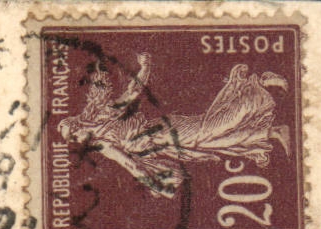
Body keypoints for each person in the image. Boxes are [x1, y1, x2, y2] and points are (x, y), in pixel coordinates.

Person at [58, 53, 290, 198]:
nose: (77, 142)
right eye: (73, 140)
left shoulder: (103, 118)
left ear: (79, 125)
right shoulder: (101, 144)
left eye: (74, 136)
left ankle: (258, 84)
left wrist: (145, 67)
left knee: (210, 129)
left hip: (164, 133)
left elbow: (132, 92)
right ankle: (271, 133)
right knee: (212, 143)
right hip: (166, 145)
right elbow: (131, 165)